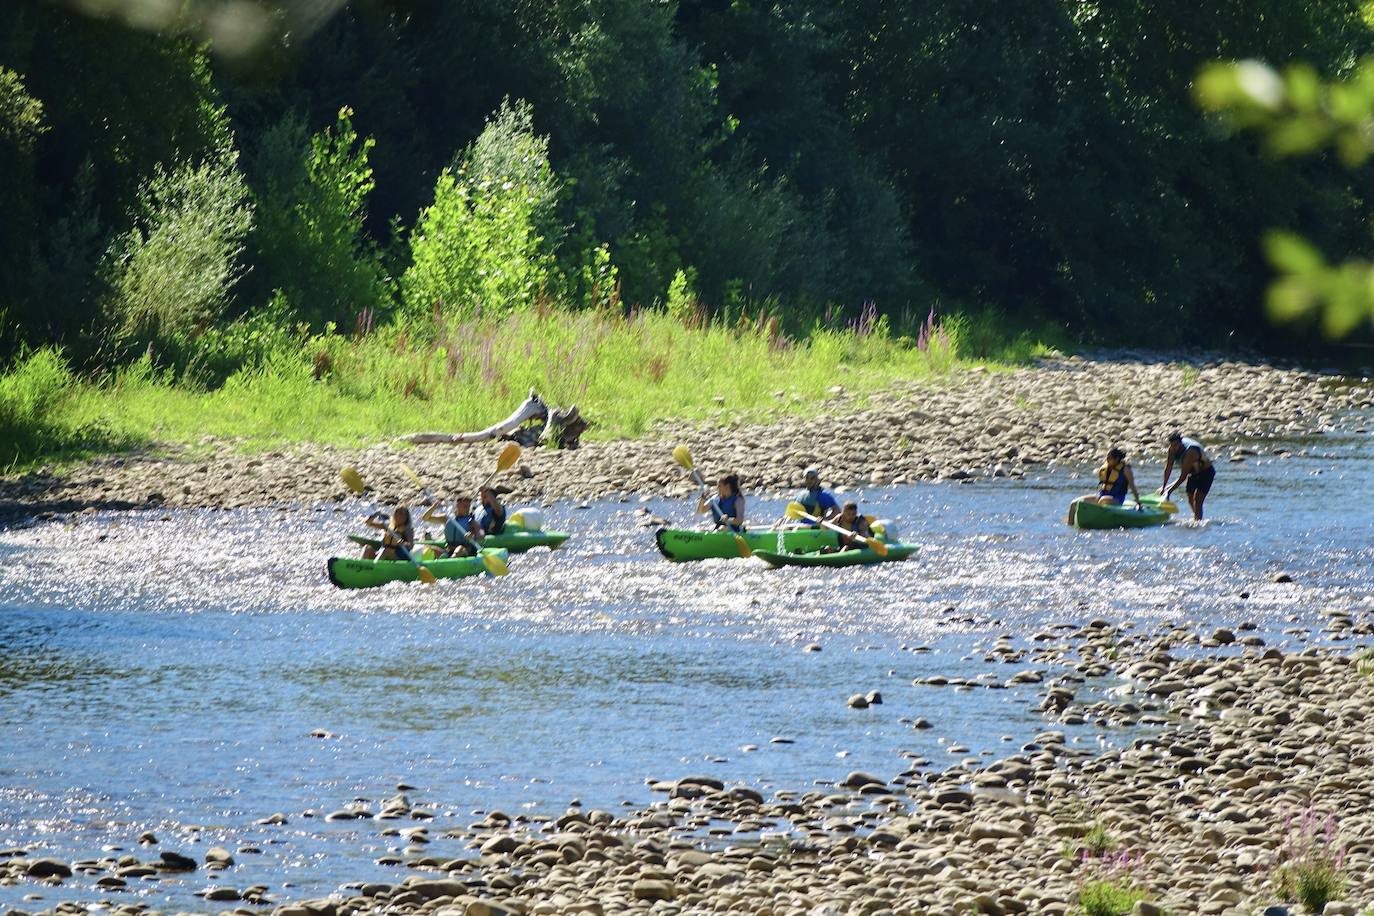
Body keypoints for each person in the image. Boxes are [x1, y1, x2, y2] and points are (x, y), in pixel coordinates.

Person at [1066, 447, 1142, 524]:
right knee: (1074, 503)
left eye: (1110, 458)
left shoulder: (1126, 470)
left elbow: (1132, 487)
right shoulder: (1106, 467)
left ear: (1116, 459)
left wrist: (1138, 503)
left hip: (1117, 499)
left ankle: (1095, 519)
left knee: (1103, 500)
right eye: (1107, 458)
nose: (1107, 460)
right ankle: (1070, 525)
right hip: (1100, 496)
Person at [1161, 432, 1215, 520]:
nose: (1173, 448)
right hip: (1192, 473)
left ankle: (1198, 522)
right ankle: (1197, 518)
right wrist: (1164, 487)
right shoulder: (1171, 450)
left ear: (1180, 443)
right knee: (1190, 499)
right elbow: (1168, 468)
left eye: (1175, 445)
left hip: (1206, 473)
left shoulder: (1190, 452)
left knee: (1198, 500)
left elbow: (1183, 477)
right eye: (1171, 445)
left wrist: (1169, 492)